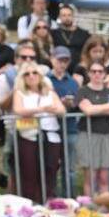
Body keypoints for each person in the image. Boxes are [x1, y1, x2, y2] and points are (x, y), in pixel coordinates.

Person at [10, 62, 69, 199]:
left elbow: (61, 110)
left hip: (50, 135)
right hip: (28, 136)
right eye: (27, 74)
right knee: (29, 171)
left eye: (34, 73)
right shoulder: (20, 93)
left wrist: (46, 109)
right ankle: (32, 203)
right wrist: (42, 109)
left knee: (50, 169)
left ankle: (49, 200)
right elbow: (19, 110)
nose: (31, 76)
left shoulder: (49, 92)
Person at [74, 65, 109, 195]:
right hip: (88, 135)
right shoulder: (83, 91)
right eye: (93, 71)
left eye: (100, 71)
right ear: (89, 74)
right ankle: (89, 208)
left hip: (107, 135)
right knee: (90, 177)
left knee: (104, 177)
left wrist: (95, 108)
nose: (97, 74)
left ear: (104, 74)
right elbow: (88, 110)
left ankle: (103, 209)